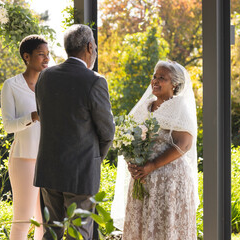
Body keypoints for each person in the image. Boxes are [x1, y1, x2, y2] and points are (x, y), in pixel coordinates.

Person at [34, 24, 115, 240]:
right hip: (81, 172)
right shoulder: (95, 81)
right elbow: (107, 131)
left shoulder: (45, 77)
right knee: (78, 234)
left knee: (51, 231)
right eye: (95, 47)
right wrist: (95, 158)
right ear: (90, 47)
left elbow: (43, 115)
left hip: (49, 168)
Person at [111, 60, 199, 239]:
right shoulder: (145, 106)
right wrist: (133, 164)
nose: (155, 81)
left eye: (162, 78)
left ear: (174, 84)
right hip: (142, 180)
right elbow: (129, 138)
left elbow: (184, 144)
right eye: (154, 76)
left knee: (166, 229)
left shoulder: (178, 107)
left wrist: (152, 165)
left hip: (170, 182)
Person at [0, 35, 50, 240]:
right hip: (23, 159)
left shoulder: (51, 84)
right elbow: (8, 126)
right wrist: (33, 116)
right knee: (23, 220)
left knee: (45, 222)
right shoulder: (11, 86)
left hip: (48, 159)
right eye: (41, 55)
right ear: (26, 56)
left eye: (48, 54)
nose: (46, 59)